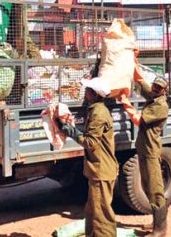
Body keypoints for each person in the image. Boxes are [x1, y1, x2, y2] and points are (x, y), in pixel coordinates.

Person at [58, 77, 118, 237]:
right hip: (98, 169)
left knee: (101, 214)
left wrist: (71, 131)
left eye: (87, 91)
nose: (85, 93)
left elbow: (91, 142)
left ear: (94, 94)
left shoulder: (98, 113)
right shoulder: (96, 109)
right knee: (92, 210)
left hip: (101, 170)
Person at [137, 77, 170, 236]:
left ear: (165, 90)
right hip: (144, 150)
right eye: (155, 86)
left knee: (155, 189)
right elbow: (144, 87)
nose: (155, 89)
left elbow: (139, 119)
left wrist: (125, 102)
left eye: (159, 88)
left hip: (151, 152)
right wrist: (135, 68)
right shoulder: (153, 97)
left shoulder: (160, 105)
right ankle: (155, 222)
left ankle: (160, 229)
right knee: (147, 187)